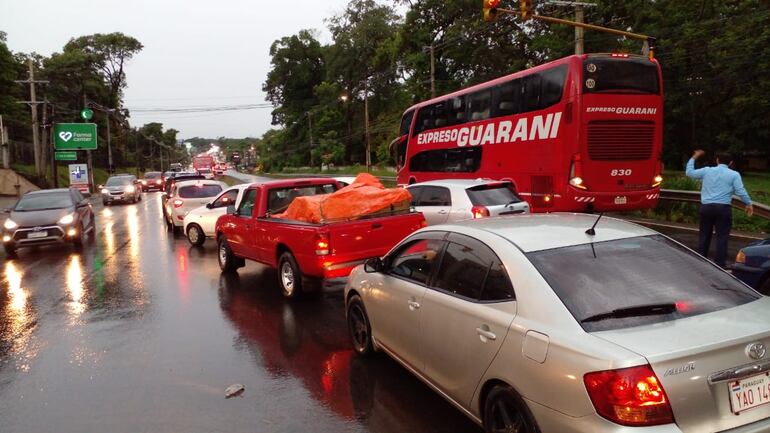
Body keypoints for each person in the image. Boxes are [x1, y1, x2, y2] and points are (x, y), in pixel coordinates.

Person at [686, 150, 753, 268]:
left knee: (704, 235)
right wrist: (748, 203)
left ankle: (701, 260)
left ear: (717, 160)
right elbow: (740, 191)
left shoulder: (707, 171)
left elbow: (689, 173)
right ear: (731, 163)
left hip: (706, 207)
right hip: (723, 208)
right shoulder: (734, 174)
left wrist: (694, 157)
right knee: (722, 236)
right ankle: (720, 264)